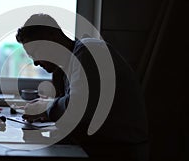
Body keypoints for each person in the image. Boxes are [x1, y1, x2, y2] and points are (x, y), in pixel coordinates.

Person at [16, 13, 149, 161]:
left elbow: (79, 106)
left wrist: (47, 108)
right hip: (108, 145)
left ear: (52, 37)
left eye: (35, 52)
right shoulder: (70, 64)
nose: (35, 63)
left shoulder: (89, 51)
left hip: (121, 150)